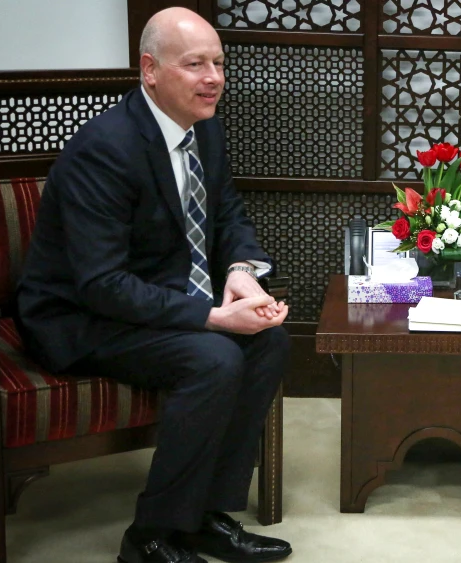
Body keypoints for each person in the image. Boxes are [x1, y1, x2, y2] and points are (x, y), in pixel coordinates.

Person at [15, 8, 293, 563]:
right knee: (214, 357)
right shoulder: (105, 149)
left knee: (269, 340)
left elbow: (229, 216)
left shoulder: (203, 130)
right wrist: (214, 317)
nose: (213, 77)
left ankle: (206, 517)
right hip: (81, 316)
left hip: (154, 295)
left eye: (218, 62)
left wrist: (241, 274)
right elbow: (101, 284)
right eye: (195, 64)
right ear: (150, 69)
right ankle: (149, 538)